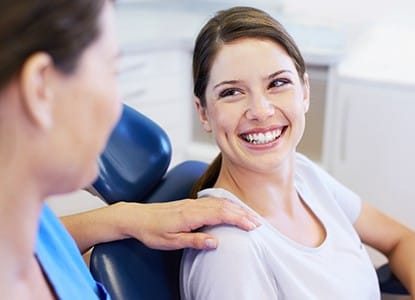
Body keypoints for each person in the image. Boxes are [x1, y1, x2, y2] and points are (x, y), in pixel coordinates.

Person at [0, 1, 261, 299]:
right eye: (111, 71)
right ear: (40, 88)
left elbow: (47, 242)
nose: (117, 110)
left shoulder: (28, 217)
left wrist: (124, 219)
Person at [180, 6, 415, 299]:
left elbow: (399, 240)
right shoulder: (229, 252)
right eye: (232, 92)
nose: (261, 111)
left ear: (304, 92)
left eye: (278, 83)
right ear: (203, 112)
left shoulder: (304, 175)